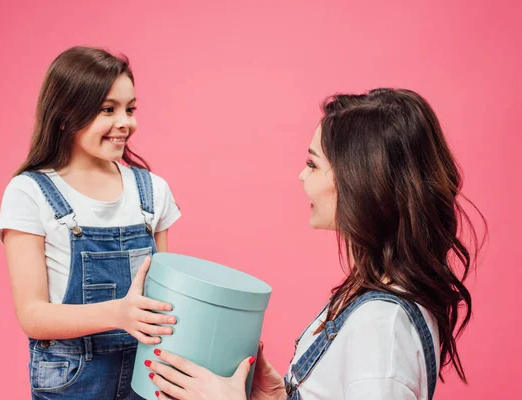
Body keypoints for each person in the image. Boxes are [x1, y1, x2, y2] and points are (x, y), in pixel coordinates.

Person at [143, 88, 485, 400]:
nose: (301, 176)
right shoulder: (370, 298)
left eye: (313, 164)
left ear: (359, 182)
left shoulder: (382, 323)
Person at [0, 46, 181, 399]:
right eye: (108, 109)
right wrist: (118, 314)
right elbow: (32, 316)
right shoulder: (29, 192)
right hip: (72, 378)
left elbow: (165, 298)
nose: (125, 122)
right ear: (66, 115)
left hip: (148, 373)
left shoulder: (153, 190)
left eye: (130, 108)